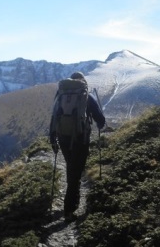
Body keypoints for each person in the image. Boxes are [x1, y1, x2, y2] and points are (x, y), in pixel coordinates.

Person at [49, 71, 106, 222]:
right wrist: (100, 124)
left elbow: (54, 116)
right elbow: (100, 119)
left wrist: (52, 138)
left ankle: (71, 203)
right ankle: (69, 209)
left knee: (72, 168)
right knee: (75, 173)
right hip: (81, 139)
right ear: (83, 81)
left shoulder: (61, 94)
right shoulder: (85, 94)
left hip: (63, 137)